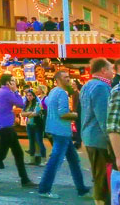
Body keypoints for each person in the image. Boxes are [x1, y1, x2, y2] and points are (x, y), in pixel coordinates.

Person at [38, 70, 91, 199]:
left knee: (74, 160)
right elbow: (63, 114)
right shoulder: (61, 93)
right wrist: (77, 115)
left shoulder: (53, 91)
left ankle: (81, 188)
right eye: (65, 77)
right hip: (61, 131)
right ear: (58, 80)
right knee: (55, 161)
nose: (68, 79)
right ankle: (44, 189)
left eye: (68, 77)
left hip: (58, 130)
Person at [80, 57, 114, 205]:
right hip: (98, 138)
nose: (113, 72)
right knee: (102, 176)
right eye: (111, 69)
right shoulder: (101, 87)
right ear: (103, 70)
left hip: (89, 136)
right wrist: (111, 139)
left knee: (98, 174)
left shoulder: (87, 85)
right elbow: (103, 116)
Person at [21, 89, 45, 166]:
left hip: (37, 125)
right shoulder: (26, 104)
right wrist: (30, 113)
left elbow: (35, 114)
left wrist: (27, 114)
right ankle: (32, 159)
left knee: (39, 141)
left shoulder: (37, 104)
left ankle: (43, 159)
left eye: (30, 95)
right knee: (31, 142)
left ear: (34, 96)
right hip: (29, 125)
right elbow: (22, 114)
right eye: (27, 95)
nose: (28, 97)